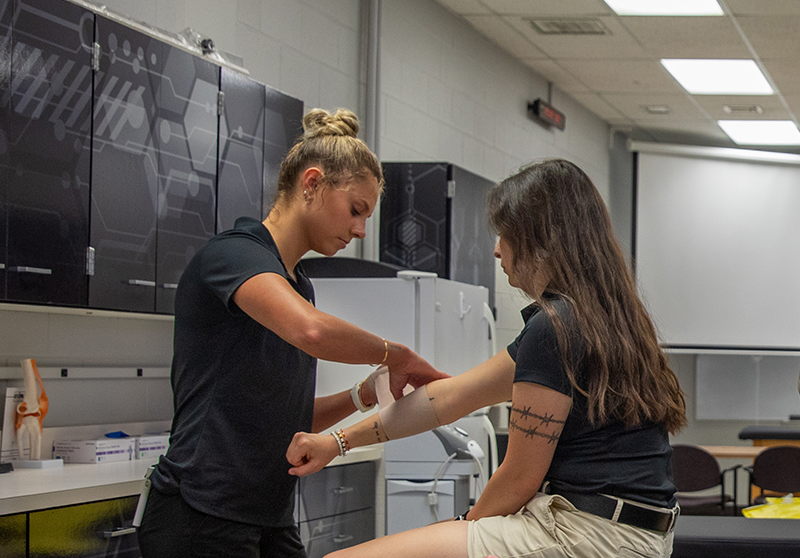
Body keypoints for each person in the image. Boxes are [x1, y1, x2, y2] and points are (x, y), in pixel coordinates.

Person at [287, 158, 687, 558]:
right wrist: (337, 442)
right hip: (626, 533)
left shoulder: (555, 328)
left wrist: (466, 524)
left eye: (505, 234)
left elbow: (519, 478)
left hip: (585, 533)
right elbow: (445, 399)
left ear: (541, 238)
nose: (496, 250)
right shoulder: (605, 318)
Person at [136, 108, 448, 558]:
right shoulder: (233, 256)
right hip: (199, 516)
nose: (360, 230)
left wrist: (361, 395)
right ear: (312, 183)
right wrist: (393, 355)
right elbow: (311, 332)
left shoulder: (299, 284)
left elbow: (286, 417)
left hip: (267, 517)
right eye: (356, 211)